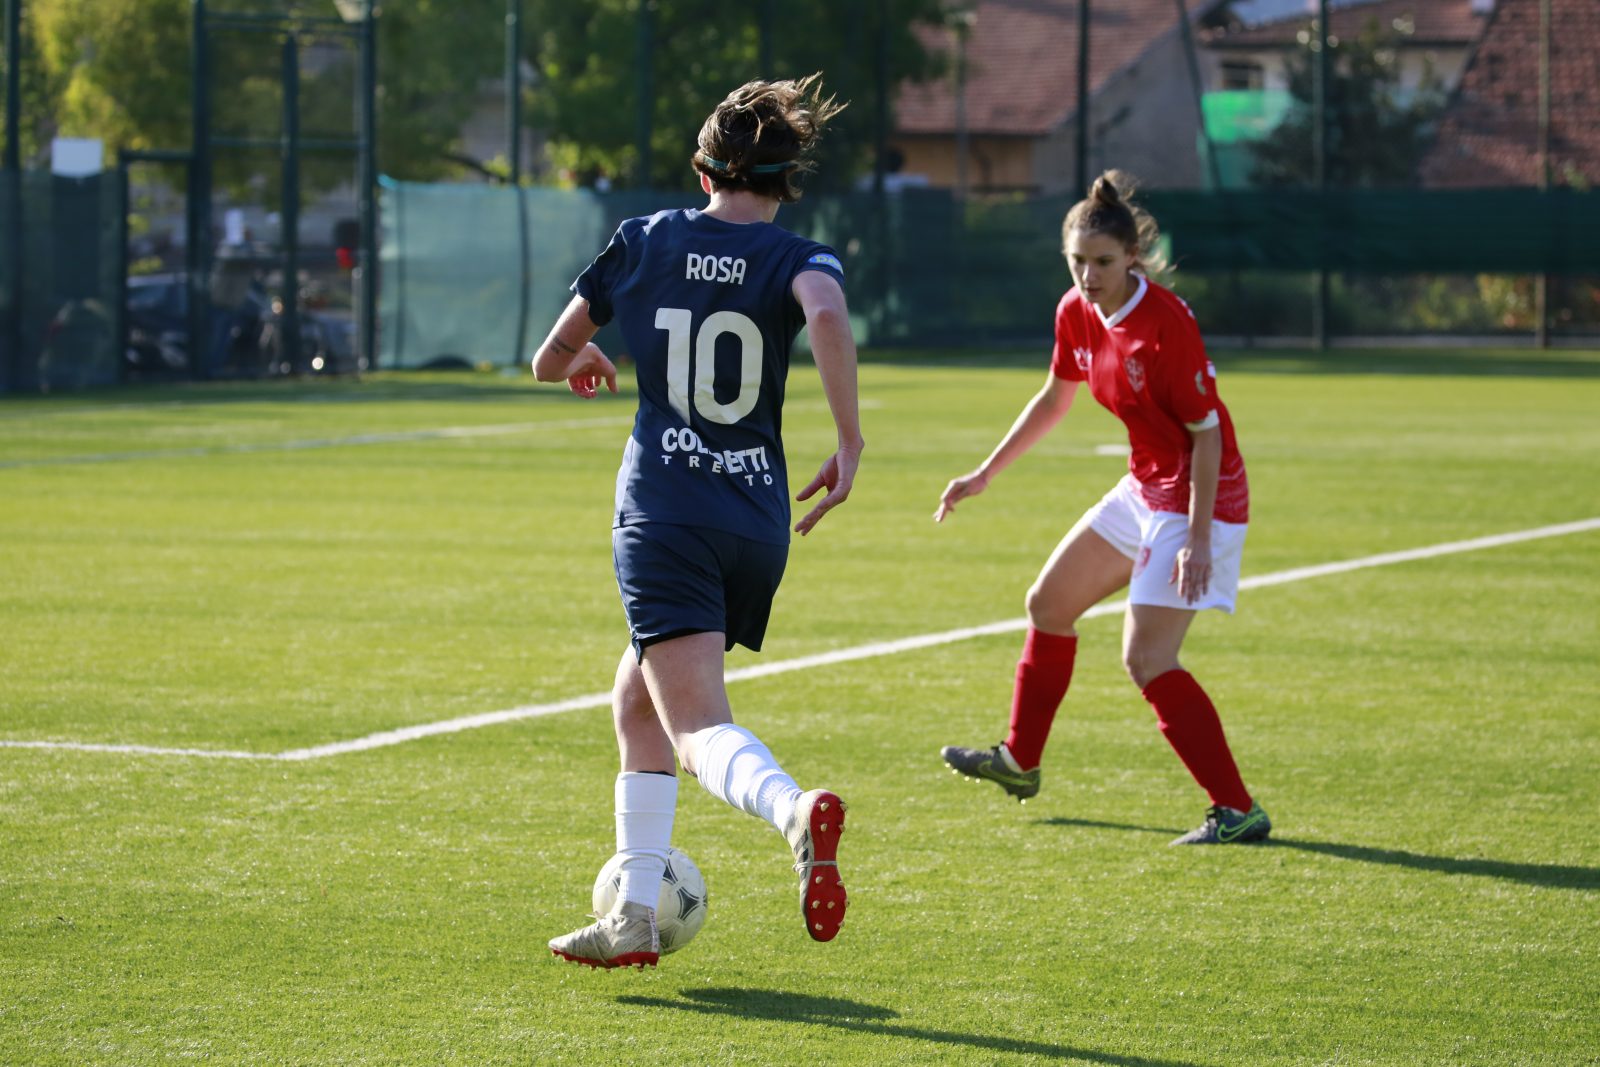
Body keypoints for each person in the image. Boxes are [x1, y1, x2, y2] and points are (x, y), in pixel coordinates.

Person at [532, 75, 863, 968]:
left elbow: (546, 357)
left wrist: (583, 355)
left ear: (703, 163)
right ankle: (634, 915)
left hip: (665, 512)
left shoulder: (643, 241)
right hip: (756, 518)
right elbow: (827, 314)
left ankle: (790, 808)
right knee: (636, 696)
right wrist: (849, 437)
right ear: (786, 178)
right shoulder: (803, 256)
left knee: (692, 724)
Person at [934, 171, 1269, 847]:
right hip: (1145, 487)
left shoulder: (1165, 325)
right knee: (1048, 604)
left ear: (1133, 258)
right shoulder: (1074, 310)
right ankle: (1020, 761)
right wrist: (985, 472)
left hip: (1201, 495)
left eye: (1103, 263)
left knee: (1147, 658)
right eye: (1078, 262)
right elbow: (1055, 398)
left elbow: (1207, 436)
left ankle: (1237, 810)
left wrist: (1197, 541)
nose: (1089, 276)